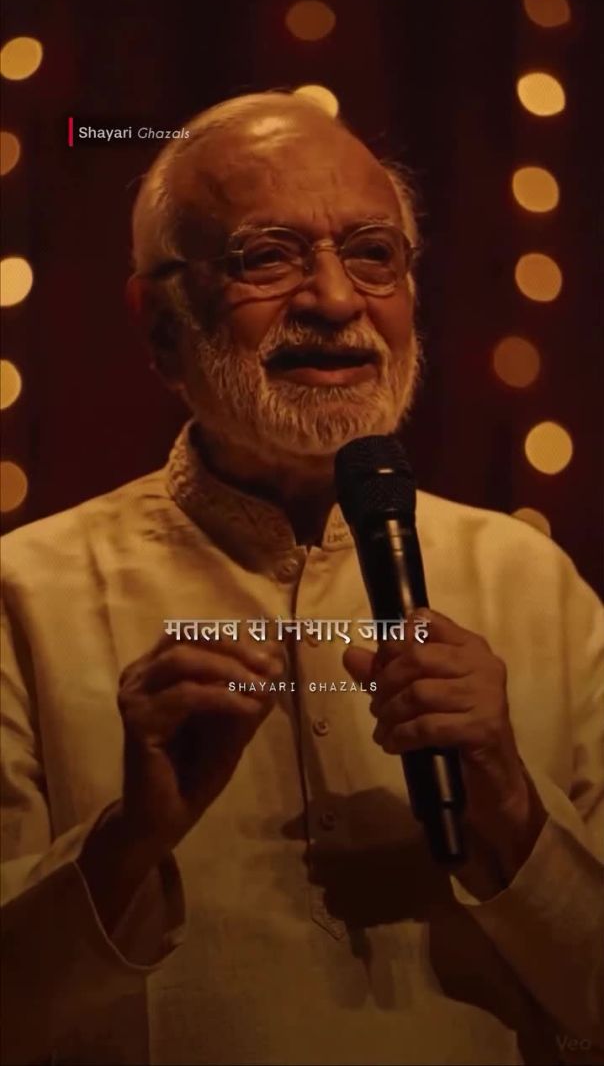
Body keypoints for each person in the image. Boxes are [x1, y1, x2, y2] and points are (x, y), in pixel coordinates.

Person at [1, 90, 603, 1066]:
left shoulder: (531, 582)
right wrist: (126, 843)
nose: (333, 300)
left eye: (372, 254)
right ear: (159, 321)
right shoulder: (24, 594)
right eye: (268, 257)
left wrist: (509, 805)